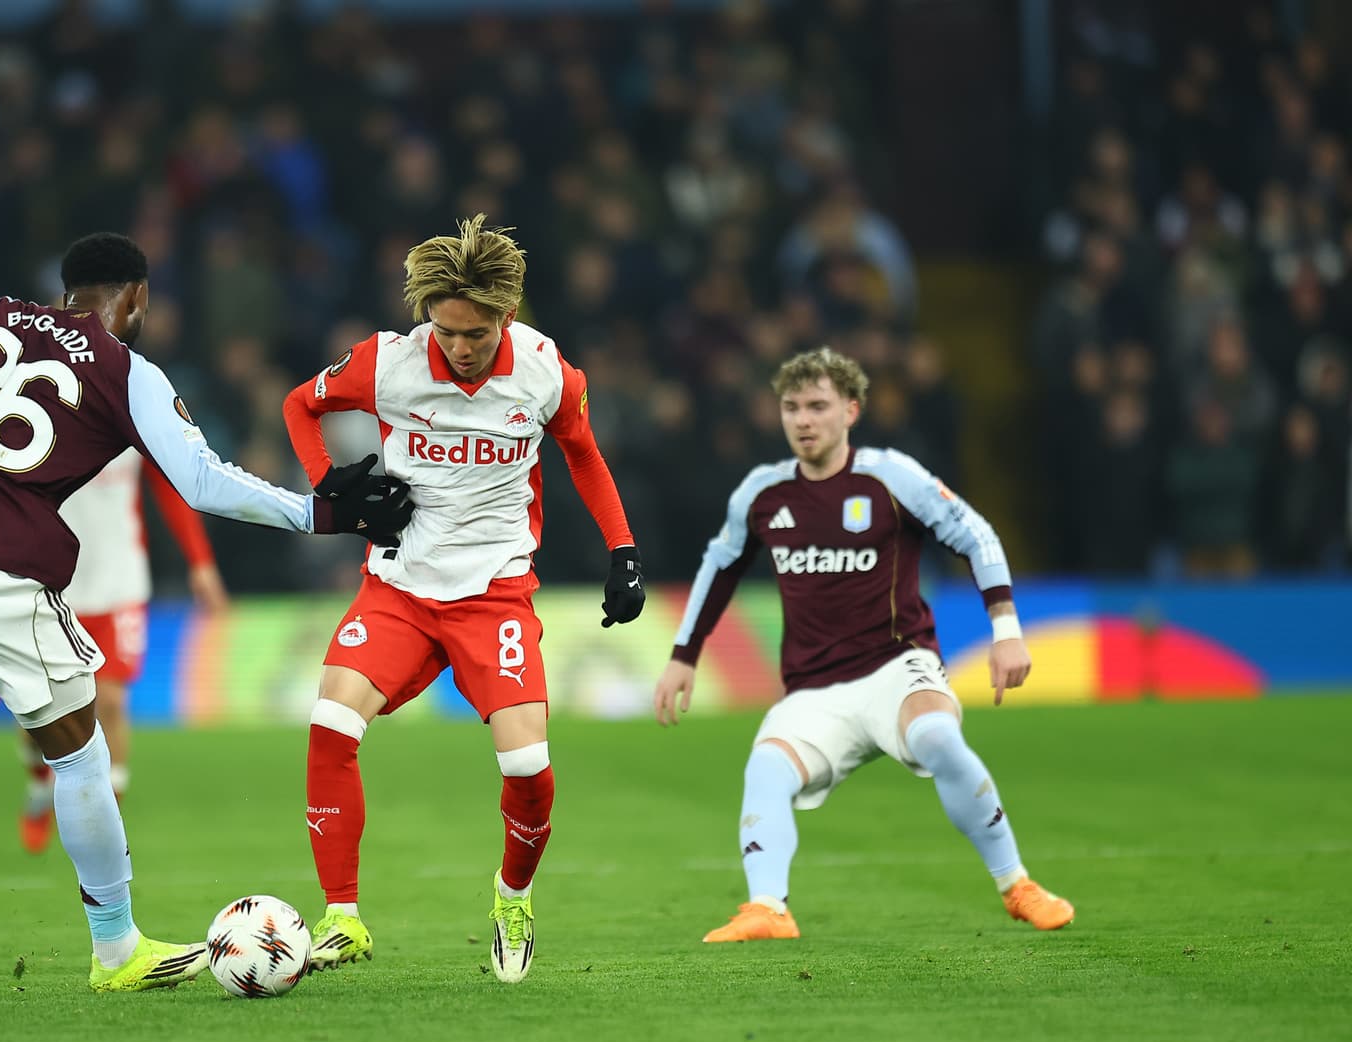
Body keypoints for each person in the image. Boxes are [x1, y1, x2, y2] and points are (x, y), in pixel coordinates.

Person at [0, 232, 411, 1001]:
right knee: (82, 760)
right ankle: (116, 947)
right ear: (138, 300)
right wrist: (320, 513)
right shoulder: (129, 370)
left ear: (66, 290)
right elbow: (200, 480)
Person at [281, 215, 644, 984]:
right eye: (444, 330)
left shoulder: (547, 372)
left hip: (495, 594)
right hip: (399, 588)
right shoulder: (389, 362)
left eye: (474, 332)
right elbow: (297, 405)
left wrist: (623, 551)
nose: (458, 346)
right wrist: (327, 486)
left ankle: (513, 897)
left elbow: (584, 454)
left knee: (530, 767)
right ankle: (341, 917)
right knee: (329, 724)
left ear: (506, 318)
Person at [653, 347, 1074, 941]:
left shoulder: (890, 477)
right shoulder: (762, 494)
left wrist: (1006, 631)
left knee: (937, 737)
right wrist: (682, 657)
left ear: (850, 410)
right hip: (814, 690)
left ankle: (1017, 885)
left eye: (818, 406)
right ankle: (768, 908)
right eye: (791, 407)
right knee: (766, 769)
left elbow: (976, 536)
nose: (803, 420)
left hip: (897, 669)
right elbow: (718, 567)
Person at [17, 450, 227, 851]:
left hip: (120, 583)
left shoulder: (134, 415)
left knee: (110, 701)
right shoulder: (49, 408)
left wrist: (200, 562)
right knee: (35, 712)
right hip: (53, 583)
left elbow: (170, 487)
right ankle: (39, 787)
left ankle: (105, 826)